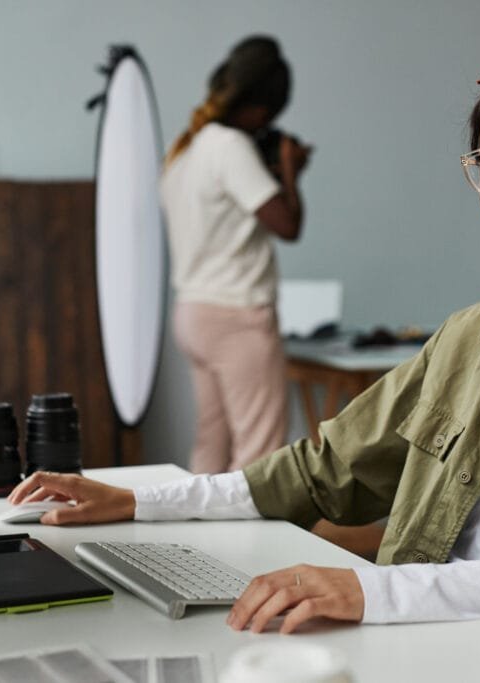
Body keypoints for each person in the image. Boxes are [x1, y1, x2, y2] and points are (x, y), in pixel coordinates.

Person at [10, 26, 480, 681]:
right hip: (430, 650)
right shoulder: (469, 337)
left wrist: (370, 592)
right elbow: (319, 470)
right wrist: (138, 498)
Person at [160, 35, 311, 474]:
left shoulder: (185, 147)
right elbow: (288, 225)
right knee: (259, 455)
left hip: (192, 313)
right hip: (236, 318)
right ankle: (251, 545)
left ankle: (196, 544)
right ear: (266, 110)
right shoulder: (231, 147)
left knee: (212, 439)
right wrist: (290, 173)